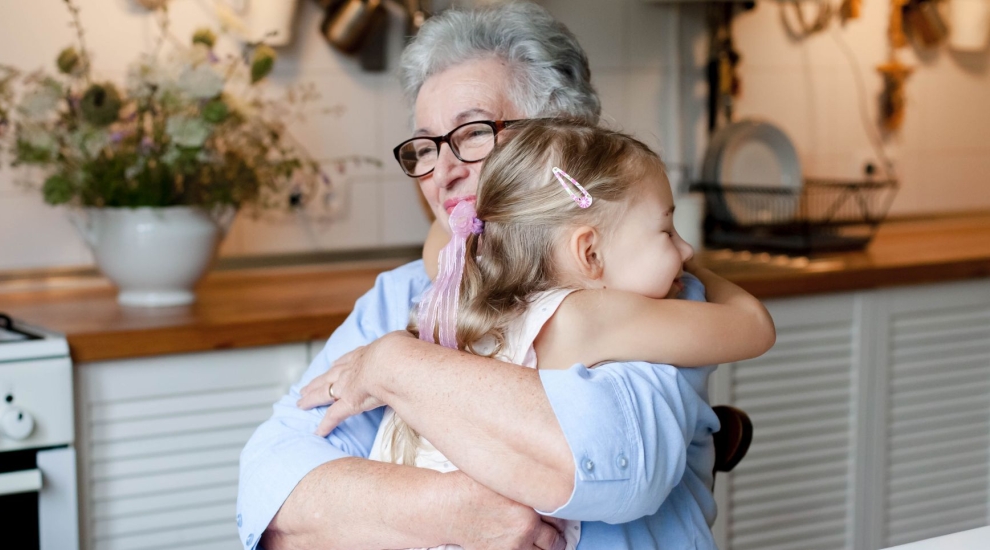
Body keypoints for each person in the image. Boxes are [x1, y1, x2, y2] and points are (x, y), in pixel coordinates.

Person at [237, 3, 775, 549]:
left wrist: (394, 365)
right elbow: (271, 495)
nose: (443, 171)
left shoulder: (643, 293)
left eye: (472, 133)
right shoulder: (408, 292)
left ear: (566, 144)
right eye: (424, 146)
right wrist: (443, 512)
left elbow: (616, 471)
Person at [312, 119, 775, 550]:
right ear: (589, 253)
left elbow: (443, 237)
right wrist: (694, 274)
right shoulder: (592, 316)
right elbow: (753, 326)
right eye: (666, 229)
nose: (685, 247)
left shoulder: (466, 284)